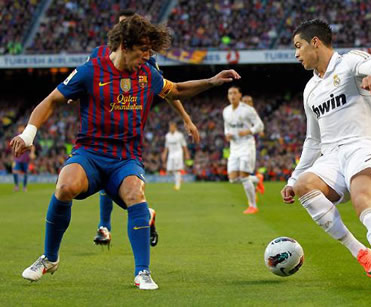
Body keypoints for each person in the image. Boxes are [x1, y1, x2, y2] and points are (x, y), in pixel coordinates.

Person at [12, 14, 240, 290]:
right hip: (90, 154)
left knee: (135, 193)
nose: (147, 55)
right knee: (64, 186)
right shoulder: (90, 70)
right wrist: (28, 134)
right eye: (143, 49)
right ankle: (49, 258)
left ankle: (142, 272)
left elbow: (176, 90)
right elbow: (52, 100)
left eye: (150, 50)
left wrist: (212, 81)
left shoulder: (146, 73)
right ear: (122, 44)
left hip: (126, 159)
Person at [281, 19, 371, 295]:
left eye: (298, 46)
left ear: (315, 42)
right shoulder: (310, 90)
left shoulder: (350, 62)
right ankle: (360, 251)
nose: (296, 54)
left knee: (363, 202)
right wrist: (292, 179)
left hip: (364, 144)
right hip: (333, 155)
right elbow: (313, 140)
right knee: (305, 185)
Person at [87, 9, 200, 249]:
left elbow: (170, 91)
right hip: (100, 126)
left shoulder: (146, 61)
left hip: (127, 130)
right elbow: (83, 82)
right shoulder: (97, 55)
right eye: (122, 27)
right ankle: (108, 225)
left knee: (114, 180)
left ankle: (109, 225)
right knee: (103, 178)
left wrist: (186, 118)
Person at [223, 86, 264, 214]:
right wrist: (227, 134)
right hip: (234, 147)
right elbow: (226, 126)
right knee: (233, 179)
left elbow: (260, 125)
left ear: (240, 95)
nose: (232, 96)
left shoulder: (248, 110)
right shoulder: (226, 111)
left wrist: (249, 131)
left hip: (246, 145)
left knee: (244, 177)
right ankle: (257, 179)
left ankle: (253, 206)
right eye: (230, 93)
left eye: (235, 93)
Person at [162, 122, 189, 190]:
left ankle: (177, 185)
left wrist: (186, 154)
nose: (170, 128)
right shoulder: (167, 136)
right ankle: (179, 179)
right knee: (169, 169)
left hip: (178, 153)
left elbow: (184, 145)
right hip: (171, 154)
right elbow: (166, 146)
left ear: (175, 127)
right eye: (170, 127)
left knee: (177, 169)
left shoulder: (179, 135)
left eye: (172, 127)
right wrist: (164, 154)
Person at [12, 125, 35, 192]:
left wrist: (32, 153)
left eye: (22, 127)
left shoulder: (26, 136)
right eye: (19, 127)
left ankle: (24, 187)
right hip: (17, 159)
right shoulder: (16, 136)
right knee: (15, 171)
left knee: (25, 172)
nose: (20, 129)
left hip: (25, 159)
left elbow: (32, 146)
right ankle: (16, 186)